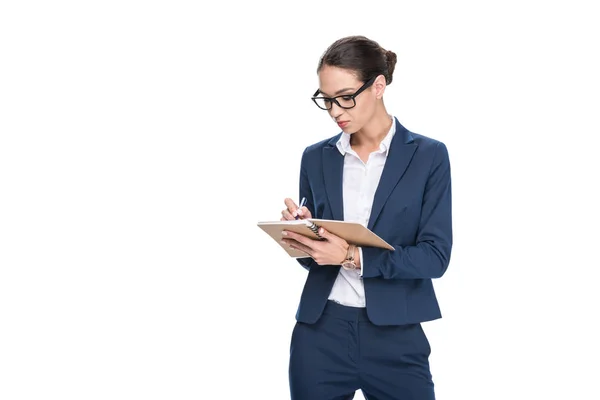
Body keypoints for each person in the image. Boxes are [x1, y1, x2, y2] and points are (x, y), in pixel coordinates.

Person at [279, 35, 453, 400]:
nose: (335, 111)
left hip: (396, 335)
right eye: (326, 100)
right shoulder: (316, 157)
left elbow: (435, 257)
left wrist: (351, 256)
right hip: (319, 333)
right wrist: (306, 236)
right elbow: (317, 264)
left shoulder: (428, 156)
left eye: (345, 97)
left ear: (378, 86)